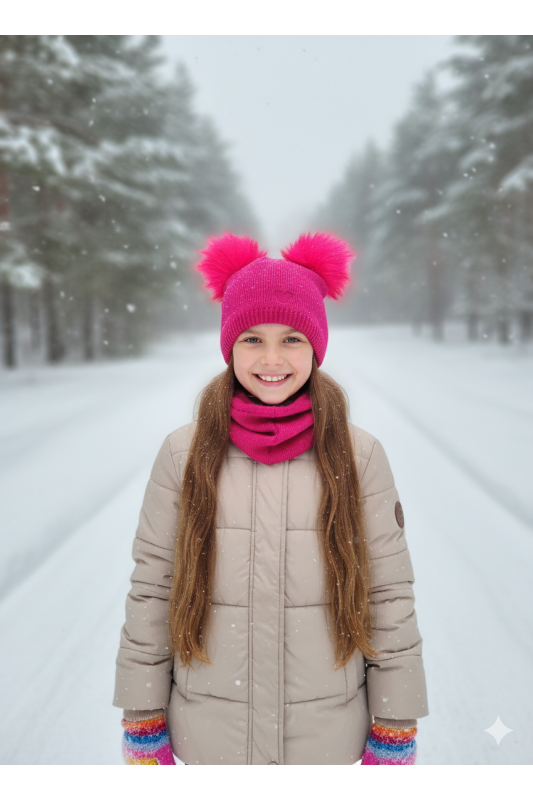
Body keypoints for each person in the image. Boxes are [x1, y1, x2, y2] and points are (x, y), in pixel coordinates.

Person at [114, 232, 428, 765]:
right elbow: (153, 587)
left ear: (316, 347)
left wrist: (395, 722)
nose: (272, 358)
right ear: (229, 347)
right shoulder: (183, 454)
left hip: (324, 744)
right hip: (210, 742)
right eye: (253, 339)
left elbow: (388, 595)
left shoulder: (360, 457)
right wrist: (141, 714)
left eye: (292, 339)